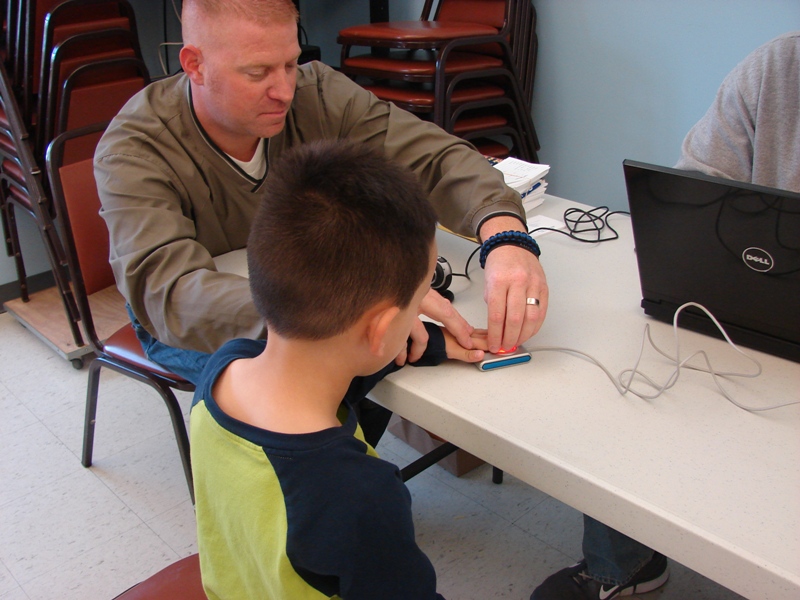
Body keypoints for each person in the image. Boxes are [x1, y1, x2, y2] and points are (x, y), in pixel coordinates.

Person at [94, 0, 548, 397]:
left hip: (315, 283)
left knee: (384, 357)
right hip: (196, 323)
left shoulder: (319, 95)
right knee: (331, 374)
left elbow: (434, 156)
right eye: (257, 72)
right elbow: (170, 293)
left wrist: (505, 236)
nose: (284, 91)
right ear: (194, 65)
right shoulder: (134, 150)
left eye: (291, 64)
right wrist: (349, 314)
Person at [530, 31, 800, 600]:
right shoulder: (778, 66)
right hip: (752, 309)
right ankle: (622, 566)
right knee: (628, 376)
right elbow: (696, 188)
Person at [191, 139, 488, 599]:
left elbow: (337, 369)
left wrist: (431, 344)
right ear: (381, 329)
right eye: (418, 303)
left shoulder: (224, 368)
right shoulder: (358, 493)